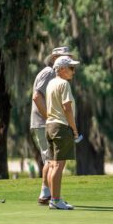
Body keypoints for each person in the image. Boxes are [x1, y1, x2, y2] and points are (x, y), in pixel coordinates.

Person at [30, 46, 72, 204]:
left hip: (43, 122)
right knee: (52, 160)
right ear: (55, 58)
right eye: (64, 58)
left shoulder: (51, 74)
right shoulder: (48, 72)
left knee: (49, 159)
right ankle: (50, 196)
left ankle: (45, 193)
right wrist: (49, 117)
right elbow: (36, 96)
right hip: (43, 122)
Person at [45, 55, 81, 210]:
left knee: (53, 165)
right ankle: (55, 199)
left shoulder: (51, 84)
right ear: (62, 69)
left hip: (49, 126)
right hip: (60, 126)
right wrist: (74, 129)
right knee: (59, 166)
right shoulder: (64, 84)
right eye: (71, 68)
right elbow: (67, 109)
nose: (73, 71)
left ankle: (54, 198)